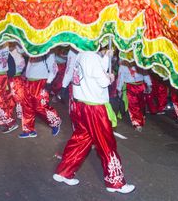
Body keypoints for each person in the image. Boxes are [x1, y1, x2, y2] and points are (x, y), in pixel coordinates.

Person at [53, 48, 135, 194]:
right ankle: (115, 182)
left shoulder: (81, 55)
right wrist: (110, 77)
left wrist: (106, 57)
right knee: (107, 144)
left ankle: (63, 172)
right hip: (95, 108)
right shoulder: (92, 57)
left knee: (80, 141)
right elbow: (103, 81)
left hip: (81, 105)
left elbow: (93, 72)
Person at [19, 52, 61, 138]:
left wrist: (48, 82)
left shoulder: (48, 53)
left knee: (40, 107)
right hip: (29, 82)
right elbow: (21, 52)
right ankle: (28, 130)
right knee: (27, 106)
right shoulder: (32, 51)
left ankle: (55, 122)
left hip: (40, 82)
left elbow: (54, 69)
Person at [117, 60, 152, 131]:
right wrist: (119, 88)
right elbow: (121, 77)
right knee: (133, 105)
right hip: (130, 87)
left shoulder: (140, 62)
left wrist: (149, 84)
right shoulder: (123, 64)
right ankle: (137, 123)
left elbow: (145, 73)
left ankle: (141, 117)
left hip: (141, 86)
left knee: (141, 104)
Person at [8, 42, 27, 120]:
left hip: (16, 78)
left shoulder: (18, 53)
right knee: (9, 98)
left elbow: (21, 65)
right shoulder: (9, 52)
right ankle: (10, 114)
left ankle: (20, 114)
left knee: (18, 97)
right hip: (10, 78)